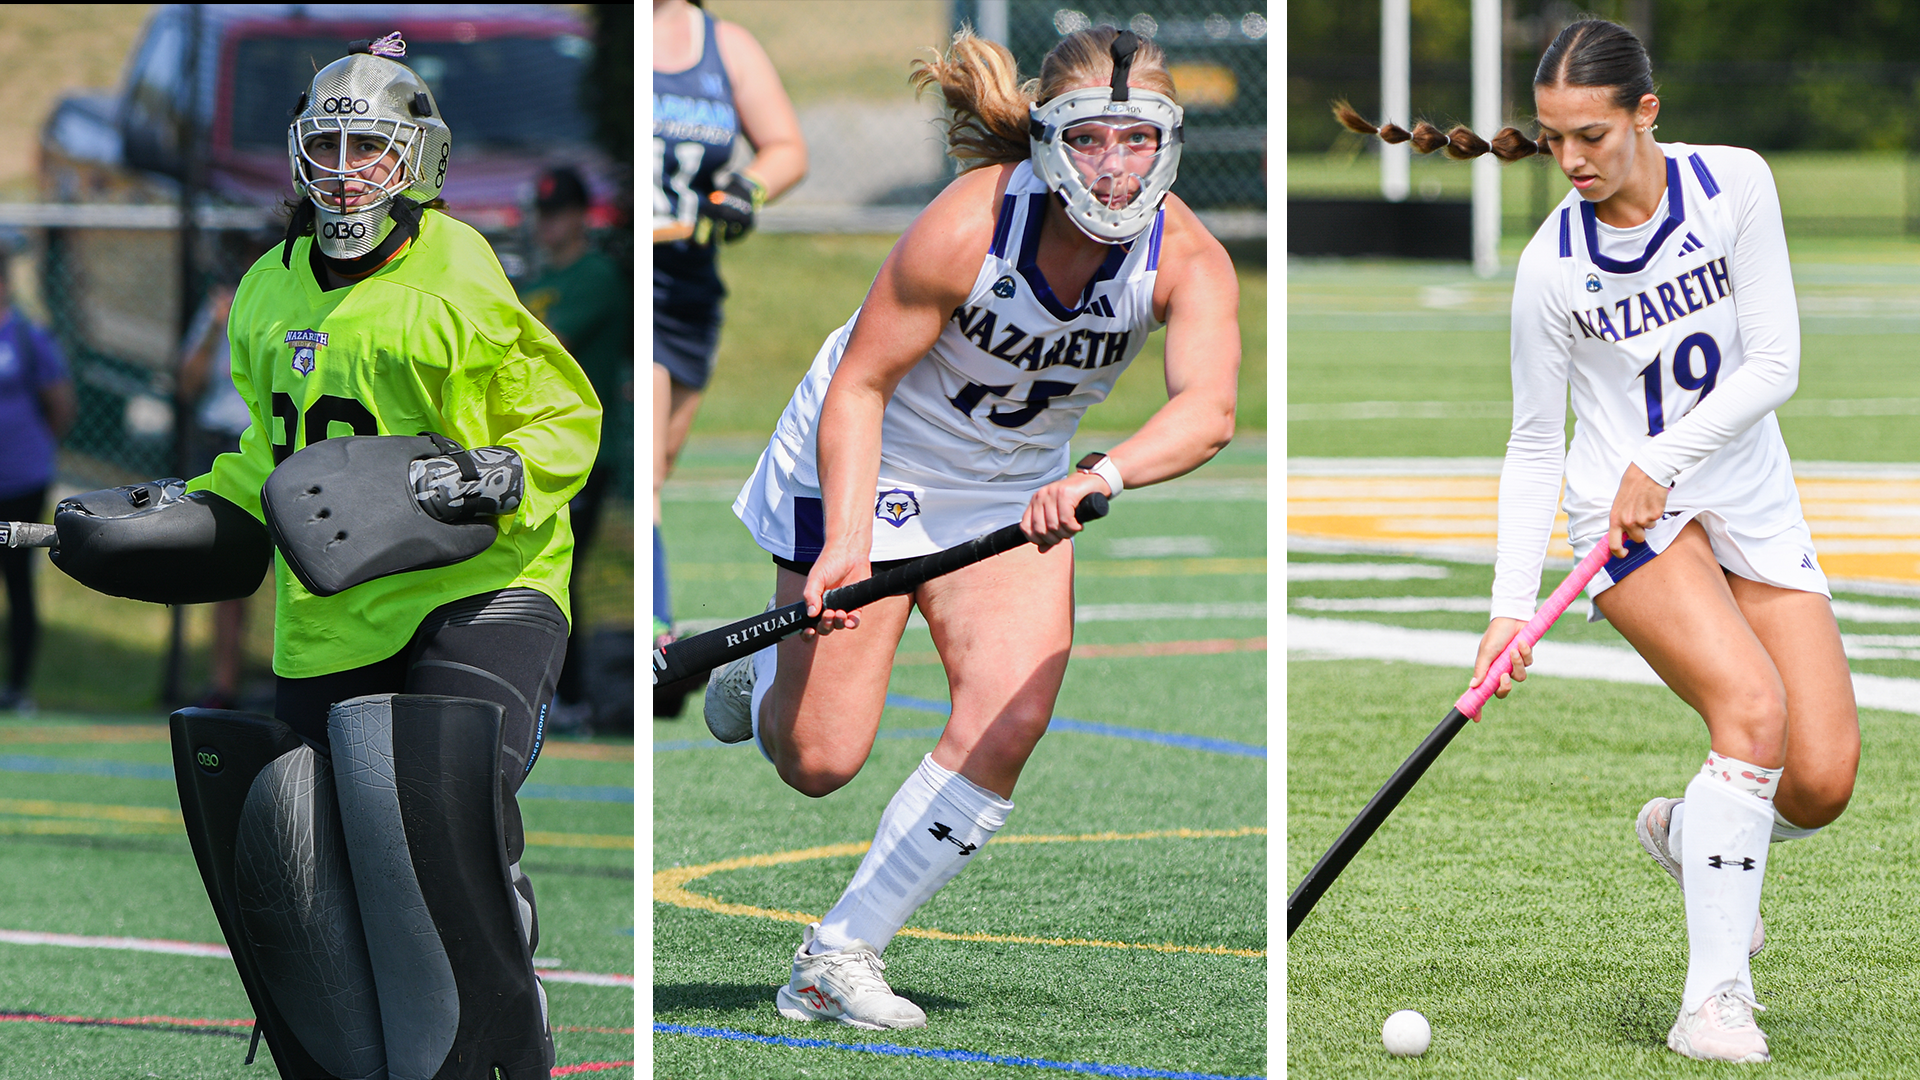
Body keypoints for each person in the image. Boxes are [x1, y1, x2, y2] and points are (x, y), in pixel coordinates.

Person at [1343, 17, 1860, 1065]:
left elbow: (1776, 365)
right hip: (1625, 527)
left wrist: (1665, 456)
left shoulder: (1735, 188)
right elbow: (1535, 445)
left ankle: (1690, 832)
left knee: (1822, 781)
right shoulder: (1553, 269)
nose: (1570, 159)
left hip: (1743, 496)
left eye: (1591, 135)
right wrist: (1504, 607)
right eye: (1553, 136)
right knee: (1751, 712)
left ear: (1644, 114)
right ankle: (1713, 1003)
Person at [706, 26, 1240, 1029]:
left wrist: (1104, 471)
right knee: (819, 763)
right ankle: (765, 680)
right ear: (1048, 139)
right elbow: (860, 387)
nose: (1115, 167)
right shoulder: (969, 225)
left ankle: (838, 954)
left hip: (1011, 487)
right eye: (1091, 141)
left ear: (1168, 143)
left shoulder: (1189, 257)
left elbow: (1207, 409)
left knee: (1013, 715)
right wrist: (846, 543)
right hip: (874, 457)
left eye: (1138, 139)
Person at [85, 33, 597, 1077]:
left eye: (371, 149)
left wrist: (505, 470)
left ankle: (503, 1031)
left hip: (481, 585)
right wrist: (167, 514)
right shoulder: (269, 290)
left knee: (429, 818)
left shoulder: (460, 267)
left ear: (420, 160)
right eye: (329, 146)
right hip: (331, 610)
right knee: (305, 854)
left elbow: (565, 416)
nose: (347, 170)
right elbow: (268, 463)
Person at [652, 0, 807, 713]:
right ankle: (656, 642)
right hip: (638, 279)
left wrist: (747, 189)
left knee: (666, 461)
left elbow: (785, 147)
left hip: (691, 285)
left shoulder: (725, 45)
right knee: (649, 468)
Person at [518, 165, 632, 730]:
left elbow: (542, 348)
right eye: (543, 212)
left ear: (582, 215)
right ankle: (567, 695)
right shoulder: (538, 279)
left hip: (581, 450)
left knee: (554, 571)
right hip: (537, 445)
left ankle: (572, 697)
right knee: (543, 569)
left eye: (559, 212)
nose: (549, 223)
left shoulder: (595, 276)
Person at [0, 242, 76, 714]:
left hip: (21, 483)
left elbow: (61, 405)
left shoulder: (27, 336)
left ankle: (17, 687)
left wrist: (34, 451)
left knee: (16, 581)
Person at [175, 277, 252, 711]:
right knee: (228, 573)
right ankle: (224, 684)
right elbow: (187, 384)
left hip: (276, 443)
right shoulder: (217, 308)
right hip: (222, 445)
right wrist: (215, 328)